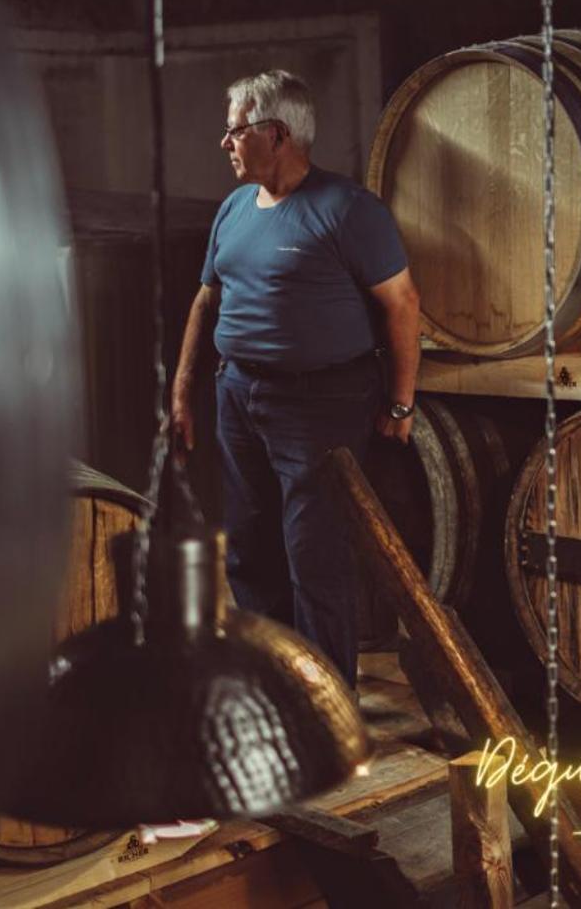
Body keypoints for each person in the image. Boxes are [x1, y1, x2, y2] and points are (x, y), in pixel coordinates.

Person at [170, 69, 420, 684]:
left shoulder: (348, 211)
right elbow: (207, 302)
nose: (224, 144)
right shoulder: (233, 208)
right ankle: (272, 688)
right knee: (251, 550)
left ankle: (328, 705)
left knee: (315, 555)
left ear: (276, 134)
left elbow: (403, 304)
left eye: (234, 132)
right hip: (238, 394)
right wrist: (182, 391)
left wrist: (399, 403)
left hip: (321, 402)